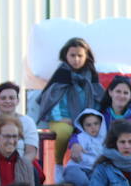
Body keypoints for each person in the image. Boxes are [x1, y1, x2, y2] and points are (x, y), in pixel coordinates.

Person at [35, 37, 104, 177]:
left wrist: (89, 119)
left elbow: (98, 98)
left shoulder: (91, 76)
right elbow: (53, 99)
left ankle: (92, 168)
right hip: (61, 118)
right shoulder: (61, 74)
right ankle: (59, 165)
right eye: (72, 55)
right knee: (64, 133)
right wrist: (61, 118)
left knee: (96, 133)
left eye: (80, 55)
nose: (76, 59)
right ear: (65, 56)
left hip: (84, 119)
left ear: (86, 56)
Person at [62, 109, 107, 186]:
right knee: (83, 183)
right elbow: (74, 142)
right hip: (75, 168)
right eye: (88, 125)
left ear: (101, 124)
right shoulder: (81, 137)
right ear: (83, 126)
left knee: (100, 185)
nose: (93, 127)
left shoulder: (105, 139)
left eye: (96, 124)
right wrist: (75, 144)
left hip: (93, 170)